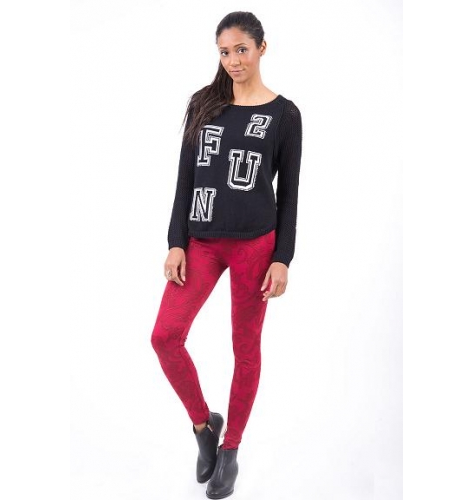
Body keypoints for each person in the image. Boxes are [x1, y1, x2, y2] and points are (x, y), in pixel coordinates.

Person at [151, 11, 302, 499]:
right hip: (201, 241)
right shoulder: (205, 103)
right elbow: (185, 179)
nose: (233, 60)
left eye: (241, 49)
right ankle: (204, 425)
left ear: (261, 48)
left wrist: (283, 257)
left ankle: (231, 449)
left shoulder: (284, 115)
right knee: (165, 336)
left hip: (256, 244)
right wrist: (176, 241)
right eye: (224, 51)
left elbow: (290, 193)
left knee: (245, 349)